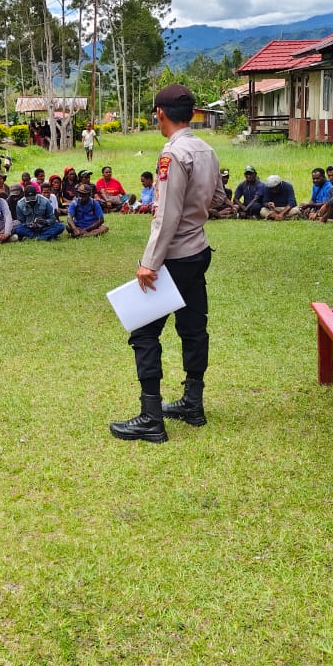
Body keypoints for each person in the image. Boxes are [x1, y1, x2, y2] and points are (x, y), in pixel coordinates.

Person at [110, 84, 224, 443]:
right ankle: (193, 403)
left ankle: (151, 417)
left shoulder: (173, 154)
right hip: (199, 251)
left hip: (174, 256)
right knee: (192, 327)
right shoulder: (205, 148)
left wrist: (149, 262)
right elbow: (219, 198)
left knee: (143, 332)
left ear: (160, 112)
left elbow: (167, 215)